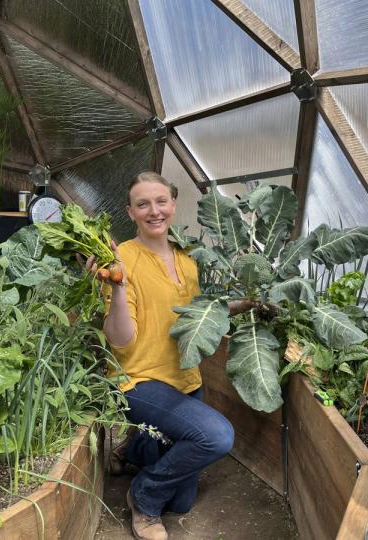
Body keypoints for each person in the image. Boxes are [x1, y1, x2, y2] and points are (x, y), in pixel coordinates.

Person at [87, 171, 242, 540]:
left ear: (173, 205)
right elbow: (120, 339)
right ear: (131, 211)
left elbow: (204, 311)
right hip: (138, 380)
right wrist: (119, 288)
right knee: (217, 437)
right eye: (143, 204)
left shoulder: (190, 258)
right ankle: (143, 498)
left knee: (183, 503)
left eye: (161, 202)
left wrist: (250, 303)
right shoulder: (122, 257)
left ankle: (136, 449)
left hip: (185, 380)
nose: (153, 211)